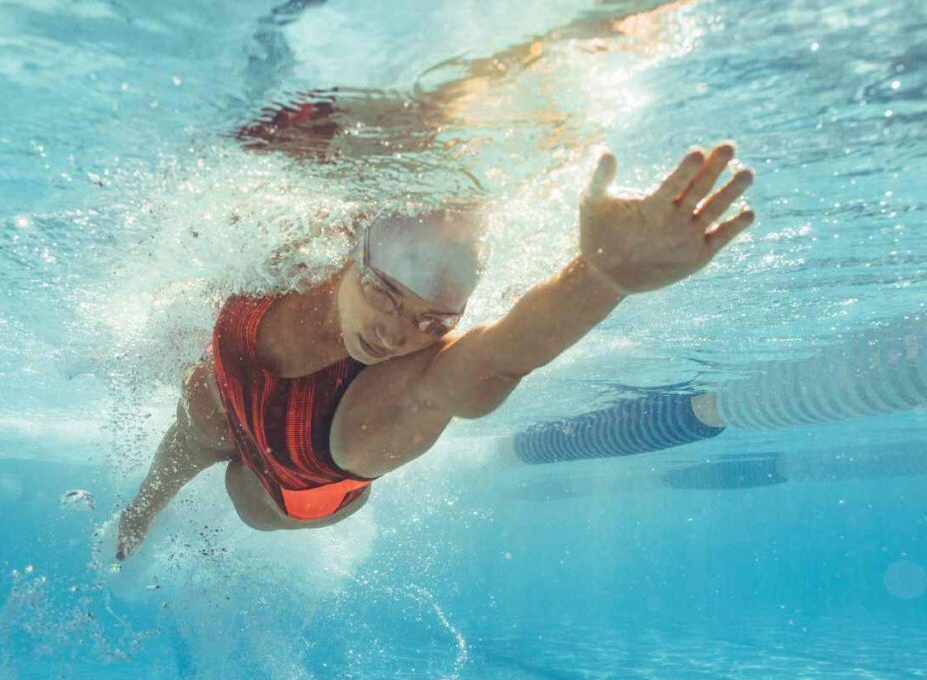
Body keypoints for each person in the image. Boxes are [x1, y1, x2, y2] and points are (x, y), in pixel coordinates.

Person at [115, 142, 755, 559]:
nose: (397, 335)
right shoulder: (298, 250)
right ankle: (138, 515)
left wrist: (604, 277)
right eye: (388, 296)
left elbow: (504, 353)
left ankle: (185, 506)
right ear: (351, 254)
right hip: (236, 399)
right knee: (200, 405)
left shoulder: (400, 399)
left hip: (295, 489)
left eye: (432, 320)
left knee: (241, 490)